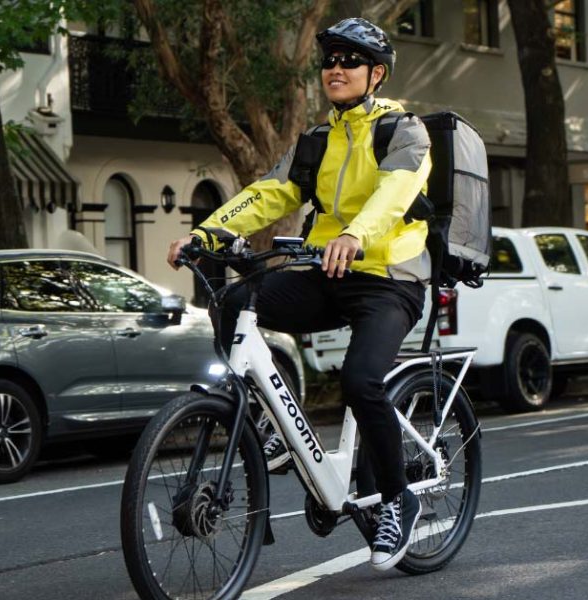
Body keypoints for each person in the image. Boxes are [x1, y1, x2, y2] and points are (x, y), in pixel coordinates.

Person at [166, 17, 431, 571]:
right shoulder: (317, 140)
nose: (335, 68)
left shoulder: (404, 132)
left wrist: (358, 235)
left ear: (375, 73)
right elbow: (269, 192)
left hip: (389, 279)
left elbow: (395, 192)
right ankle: (267, 423)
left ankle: (399, 498)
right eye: (329, 59)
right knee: (238, 301)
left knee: (360, 380)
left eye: (348, 60)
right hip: (328, 274)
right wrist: (205, 233)